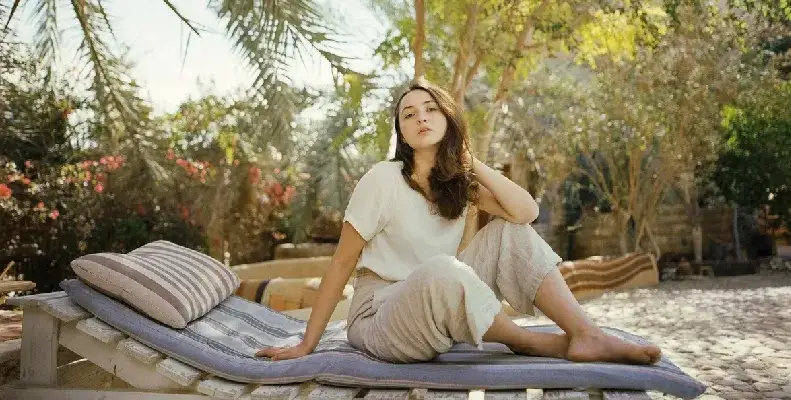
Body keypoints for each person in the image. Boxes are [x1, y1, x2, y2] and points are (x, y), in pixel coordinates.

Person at [256, 78, 661, 365]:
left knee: (507, 231)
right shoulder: (383, 179)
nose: (421, 117)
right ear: (402, 133)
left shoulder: (459, 185)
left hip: (439, 298)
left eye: (431, 109)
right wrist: (306, 344)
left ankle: (586, 333)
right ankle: (528, 341)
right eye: (409, 114)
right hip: (379, 318)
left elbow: (526, 213)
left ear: (449, 119)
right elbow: (342, 262)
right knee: (441, 269)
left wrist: (470, 161)